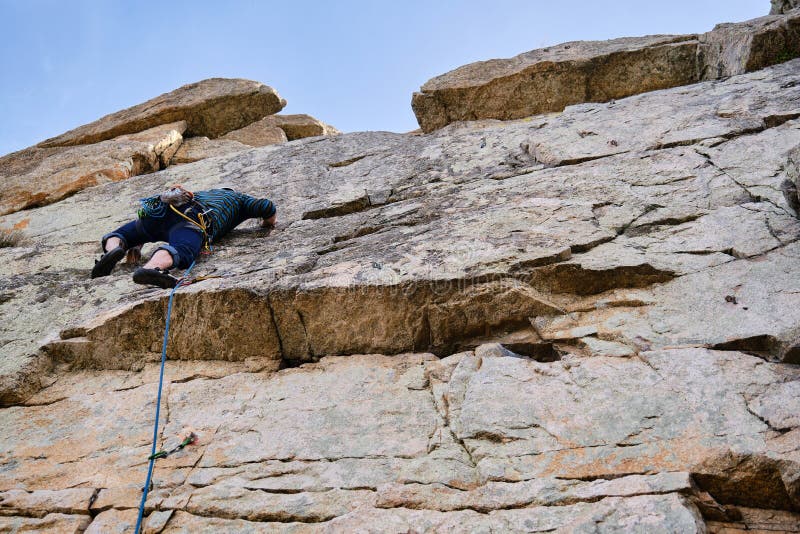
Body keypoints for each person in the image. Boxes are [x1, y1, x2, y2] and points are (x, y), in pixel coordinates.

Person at [91, 185, 277, 288]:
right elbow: (267, 206)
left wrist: (137, 244)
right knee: (181, 248)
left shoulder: (200, 193)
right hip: (191, 216)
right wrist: (268, 223)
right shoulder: (240, 199)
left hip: (161, 211)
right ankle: (151, 268)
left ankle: (114, 248)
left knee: (124, 234)